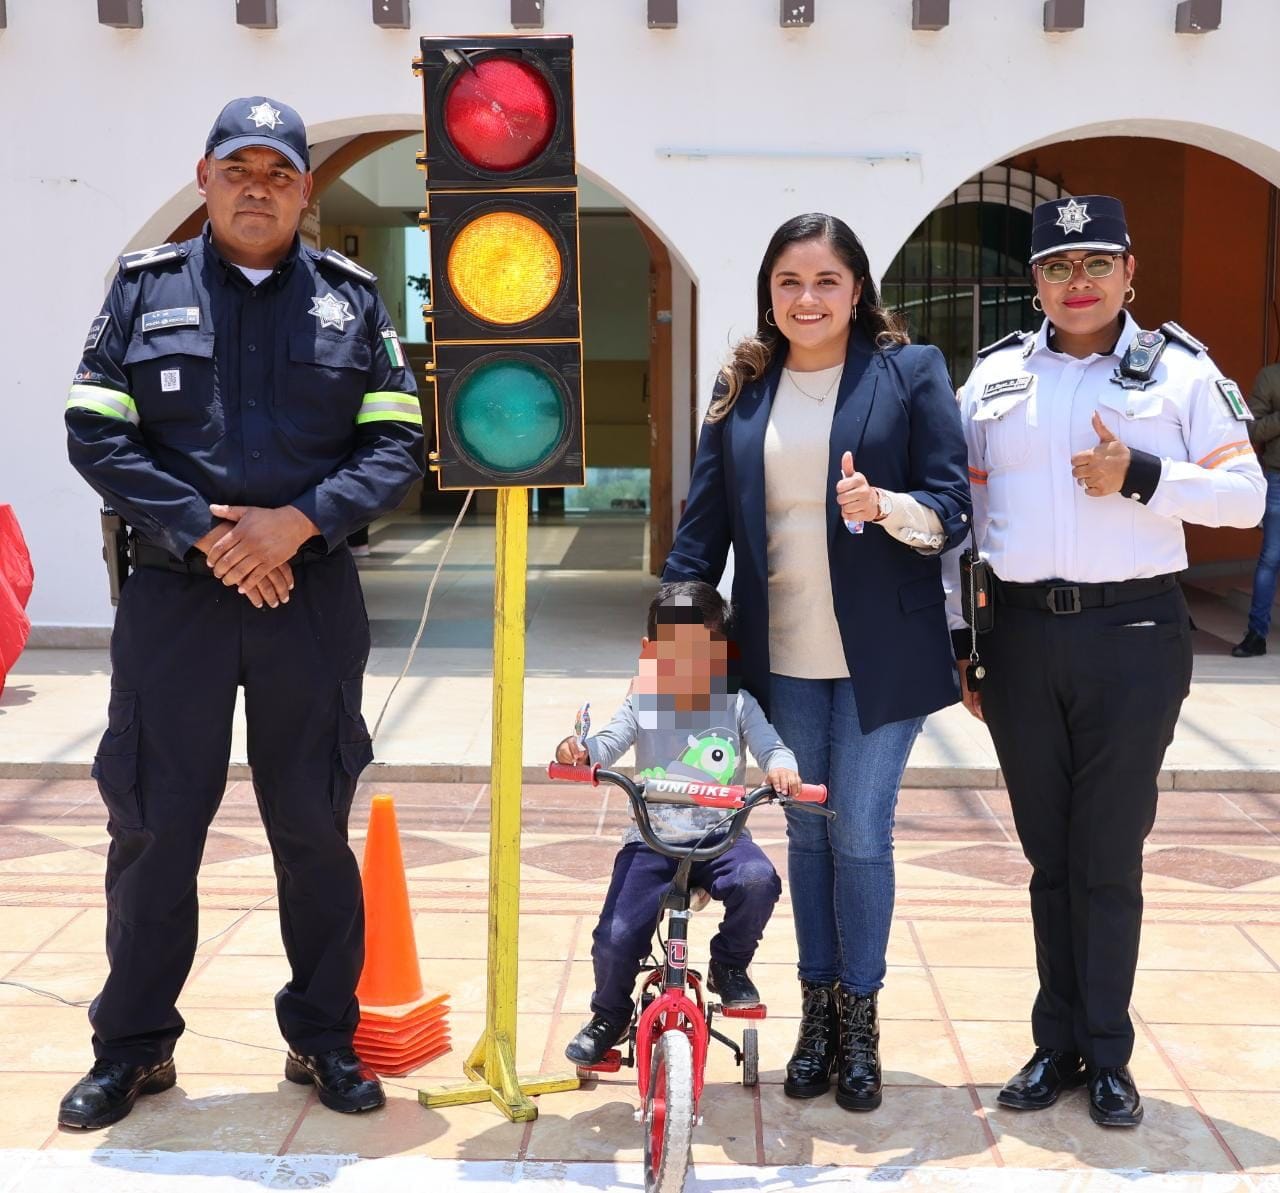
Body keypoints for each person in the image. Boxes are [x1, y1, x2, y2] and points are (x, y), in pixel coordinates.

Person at [60, 96, 424, 1129]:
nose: (255, 187)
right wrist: (211, 533)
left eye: (277, 171)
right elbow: (94, 430)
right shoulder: (145, 289)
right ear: (205, 178)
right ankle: (132, 1046)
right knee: (154, 825)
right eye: (237, 169)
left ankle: (322, 1037)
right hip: (177, 595)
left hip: (306, 597)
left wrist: (298, 523)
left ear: (306, 190)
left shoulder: (353, 302)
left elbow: (396, 442)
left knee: (310, 825)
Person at [948, 195, 1265, 1127]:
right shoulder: (996, 378)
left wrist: (1141, 475)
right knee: (1049, 855)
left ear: (1130, 272)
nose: (1075, 283)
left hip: (1133, 637)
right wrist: (964, 641)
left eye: (1094, 263)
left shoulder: (1179, 374)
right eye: (1056, 267)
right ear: (1034, 281)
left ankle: (1110, 1050)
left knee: (1109, 854)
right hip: (1019, 635)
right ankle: (1057, 1043)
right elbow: (962, 522)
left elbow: (1246, 498)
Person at [662, 214, 971, 1111]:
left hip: (884, 656)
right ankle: (816, 1014)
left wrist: (884, 505)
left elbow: (951, 506)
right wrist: (676, 646)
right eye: (790, 281)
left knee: (859, 831)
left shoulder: (909, 373)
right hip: (781, 654)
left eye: (827, 280)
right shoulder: (742, 387)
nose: (808, 298)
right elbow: (700, 533)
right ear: (769, 291)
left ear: (858, 290)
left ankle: (860, 1020)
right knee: (803, 831)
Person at [553, 581, 798, 1066]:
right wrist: (580, 753)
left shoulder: (738, 704)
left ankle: (729, 966)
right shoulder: (642, 703)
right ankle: (610, 1013)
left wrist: (780, 767)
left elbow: (772, 745)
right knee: (616, 935)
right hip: (651, 839)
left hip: (722, 836)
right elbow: (605, 743)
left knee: (759, 881)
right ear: (650, 653)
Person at [1231, 361, 1280, 657]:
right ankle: (1257, 635)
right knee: (1271, 559)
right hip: (1278, 478)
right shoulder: (1271, 377)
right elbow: (1251, 430)